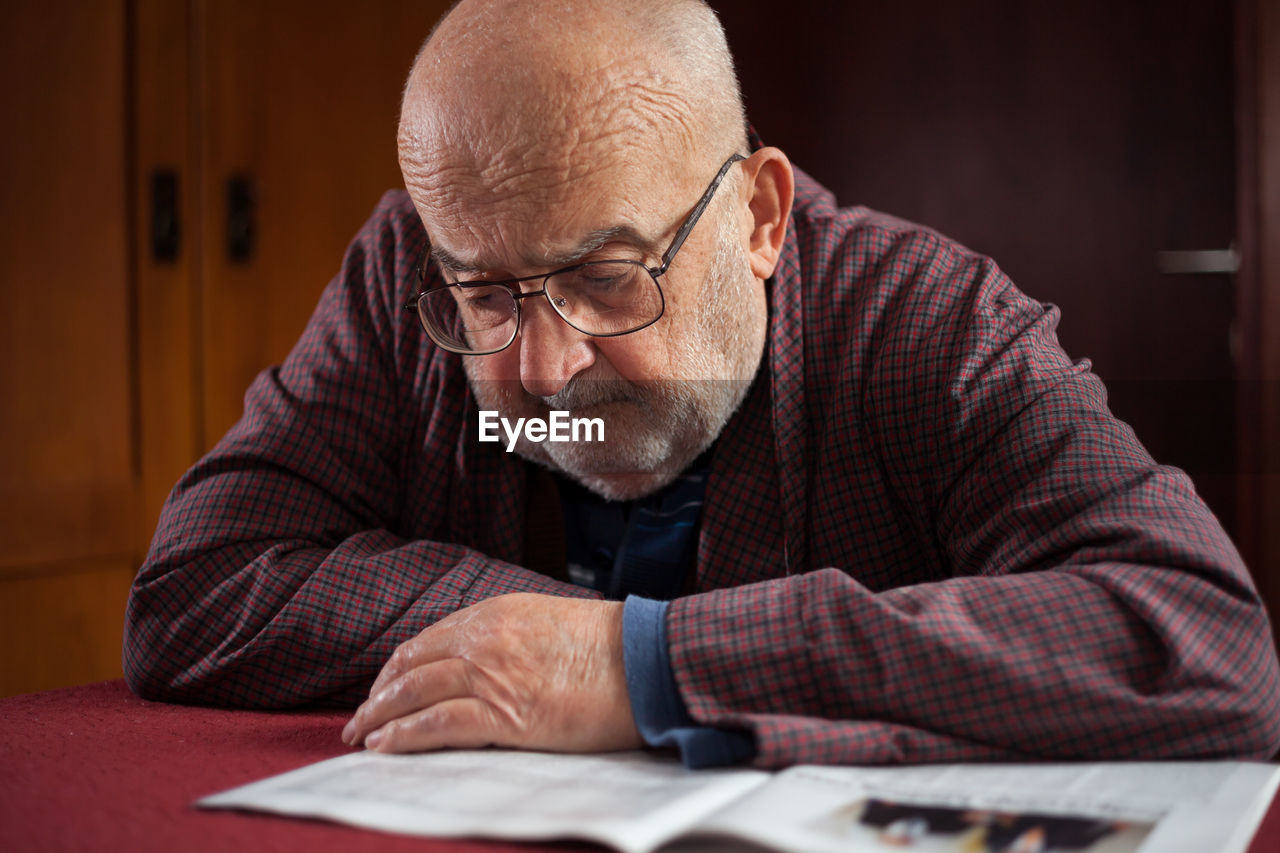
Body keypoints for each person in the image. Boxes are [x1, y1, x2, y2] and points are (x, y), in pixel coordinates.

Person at [122, 0, 1280, 769]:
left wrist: (647, 665)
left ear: (759, 217)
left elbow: (1202, 641)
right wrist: (567, 641)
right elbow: (194, 587)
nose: (537, 371)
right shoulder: (404, 272)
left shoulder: (932, 322)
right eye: (483, 296)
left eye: (606, 277)